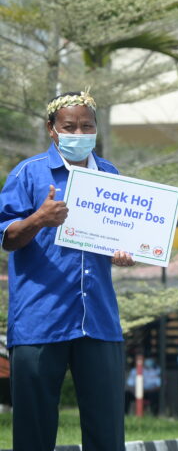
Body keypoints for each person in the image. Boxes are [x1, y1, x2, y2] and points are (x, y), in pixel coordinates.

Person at [0, 90, 136, 451]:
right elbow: (8, 238)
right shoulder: (28, 174)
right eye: (69, 126)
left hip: (99, 321)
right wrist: (39, 219)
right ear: (52, 129)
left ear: (96, 129)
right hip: (39, 319)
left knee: (107, 434)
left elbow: (118, 236)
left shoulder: (110, 174)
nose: (79, 132)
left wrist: (124, 252)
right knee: (33, 433)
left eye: (87, 126)